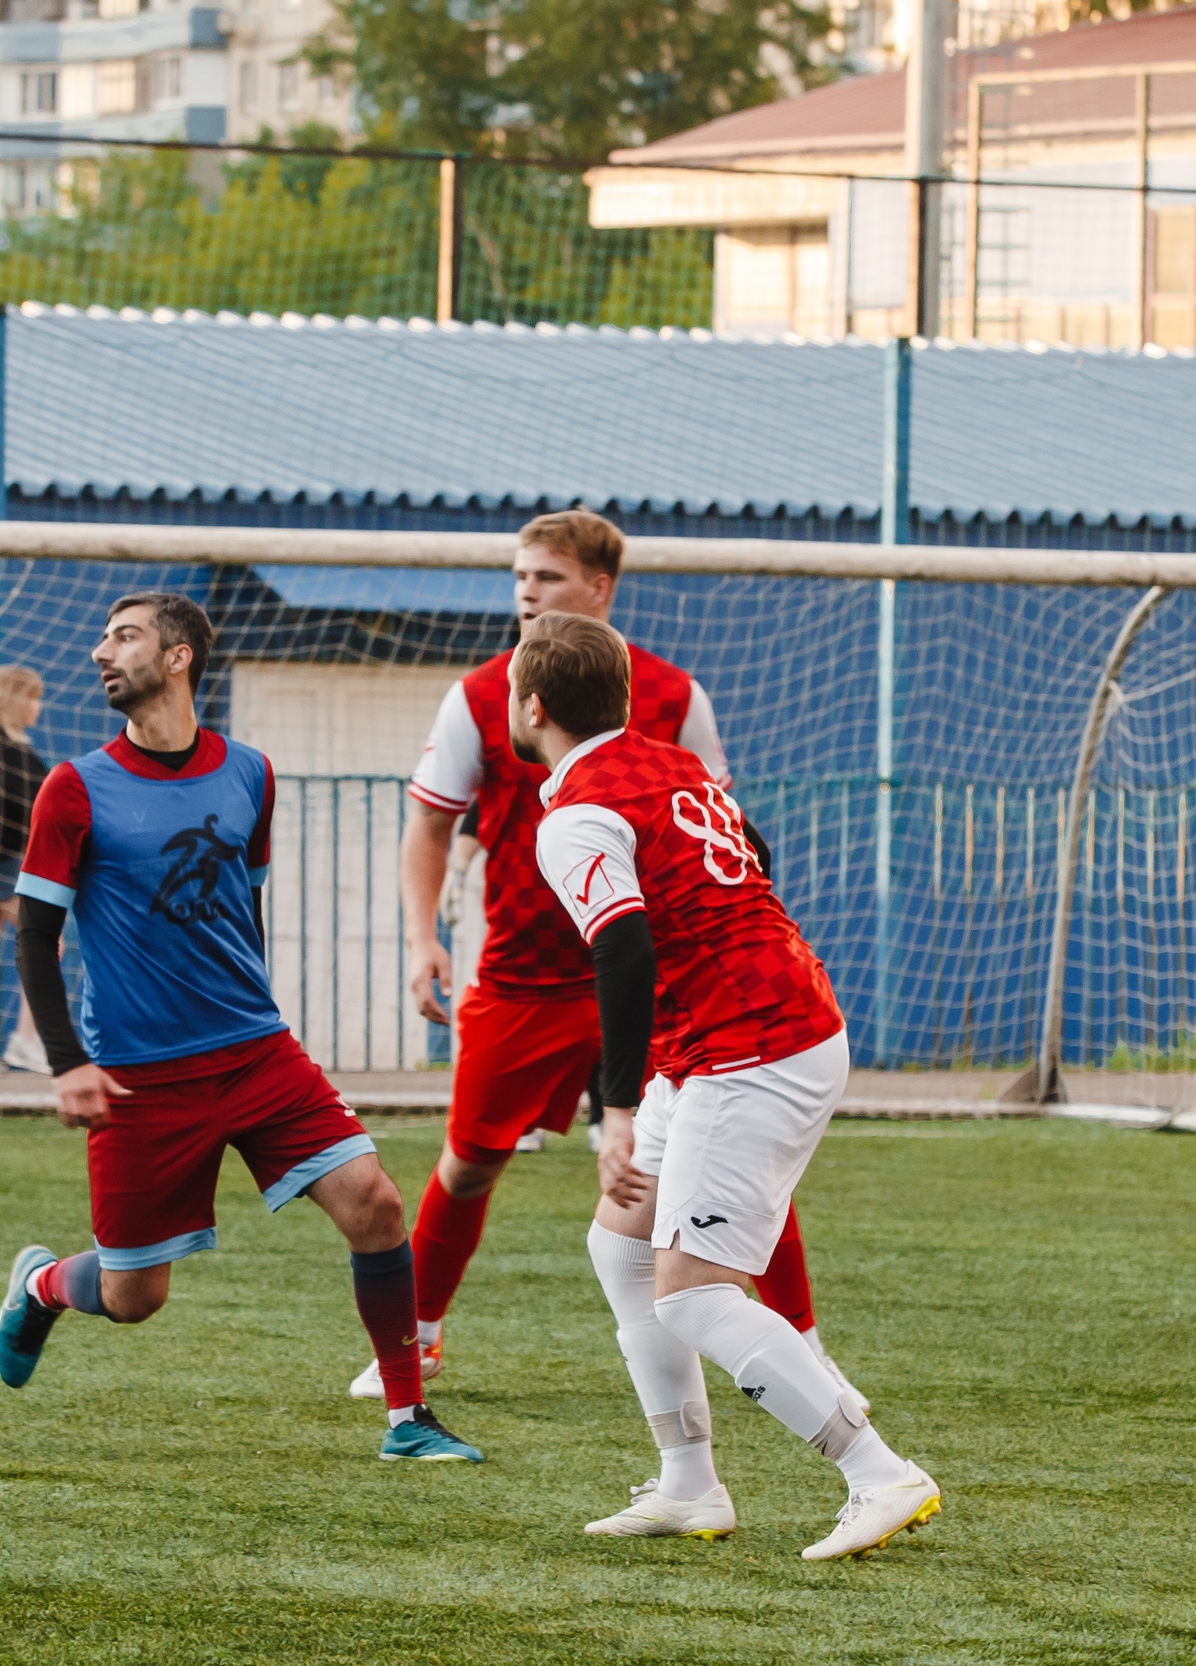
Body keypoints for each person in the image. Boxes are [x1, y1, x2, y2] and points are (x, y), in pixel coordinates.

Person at [353, 509, 841, 1400]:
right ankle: (418, 1335)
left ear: (599, 588)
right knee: (471, 1157)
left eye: (545, 577)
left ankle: (806, 1354)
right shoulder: (477, 693)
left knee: (718, 1157)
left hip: (654, 977)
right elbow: (430, 821)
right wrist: (424, 936)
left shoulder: (672, 696)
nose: (527, 593)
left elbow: (730, 835)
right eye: (519, 578)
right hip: (526, 970)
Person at [0, 590, 483, 1464]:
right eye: (102, 635)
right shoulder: (74, 788)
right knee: (138, 1295)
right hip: (138, 1074)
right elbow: (35, 932)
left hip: (257, 1052)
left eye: (125, 635)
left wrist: (253, 1007)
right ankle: (40, 1285)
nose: (102, 651)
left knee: (375, 1203)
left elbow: (240, 907)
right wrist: (66, 1063)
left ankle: (407, 1419)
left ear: (179, 656)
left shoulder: (251, 771)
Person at [516, 612, 938, 1560]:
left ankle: (876, 1470)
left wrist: (615, 1108)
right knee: (621, 1251)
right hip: (739, 1031)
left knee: (694, 1293)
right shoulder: (670, 761)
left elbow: (620, 945)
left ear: (531, 705)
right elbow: (750, 849)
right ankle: (689, 1483)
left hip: (751, 1046)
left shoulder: (575, 812)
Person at [0, 666, 50, 1073]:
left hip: (5, 864)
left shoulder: (18, 746)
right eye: (31, 697)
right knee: (43, 944)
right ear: (11, 699)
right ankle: (24, 1041)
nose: (37, 706)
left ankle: (16, 1041)